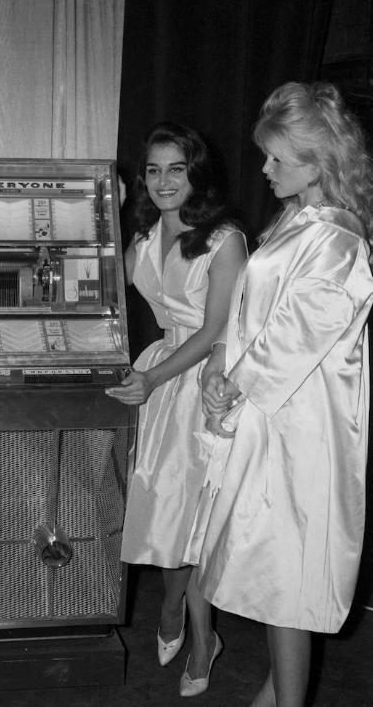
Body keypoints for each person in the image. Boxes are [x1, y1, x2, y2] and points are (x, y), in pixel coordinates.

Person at [200, 81, 373, 707]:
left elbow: (298, 334)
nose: (265, 169)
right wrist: (225, 368)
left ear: (318, 161)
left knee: (289, 583)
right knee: (279, 577)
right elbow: (261, 316)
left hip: (303, 428)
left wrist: (235, 381)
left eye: (278, 158)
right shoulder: (302, 220)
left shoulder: (338, 239)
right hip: (275, 418)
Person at [105, 122, 247, 697]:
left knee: (194, 521)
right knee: (161, 507)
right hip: (160, 371)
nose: (164, 181)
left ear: (196, 175)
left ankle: (196, 629)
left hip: (208, 379)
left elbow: (215, 329)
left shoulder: (225, 239)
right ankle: (177, 611)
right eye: (154, 169)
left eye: (177, 169)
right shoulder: (140, 237)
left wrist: (152, 378)